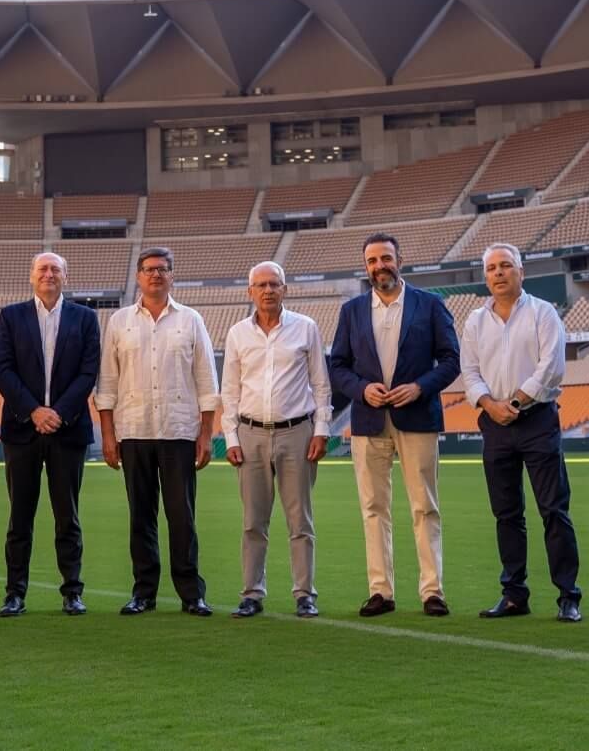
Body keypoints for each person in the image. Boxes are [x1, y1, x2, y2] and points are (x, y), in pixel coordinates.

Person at [330, 232, 459, 618]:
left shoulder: (430, 305)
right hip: (368, 421)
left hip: (417, 418)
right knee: (373, 508)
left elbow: (452, 360)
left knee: (425, 507)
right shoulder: (352, 310)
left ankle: (432, 591)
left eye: (385, 258)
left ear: (399, 260)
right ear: (365, 266)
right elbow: (338, 366)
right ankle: (380, 591)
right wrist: (361, 388)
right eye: (372, 261)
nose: (379, 266)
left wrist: (420, 387)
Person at [460, 243, 581, 623]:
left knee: (553, 510)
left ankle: (568, 596)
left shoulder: (543, 313)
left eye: (506, 266)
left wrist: (514, 401)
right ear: (485, 276)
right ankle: (514, 594)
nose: (498, 273)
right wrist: (490, 405)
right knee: (506, 513)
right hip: (494, 424)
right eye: (492, 268)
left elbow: (552, 366)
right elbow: (470, 373)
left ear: (521, 272)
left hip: (537, 420)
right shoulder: (475, 322)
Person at [96, 246, 219, 617]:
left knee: (182, 517)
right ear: (138, 276)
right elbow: (107, 382)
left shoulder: (191, 319)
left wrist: (206, 433)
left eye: (163, 269)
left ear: (171, 275)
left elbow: (206, 379)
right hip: (133, 431)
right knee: (141, 516)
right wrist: (107, 435)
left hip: (179, 431)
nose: (156, 275)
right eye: (149, 269)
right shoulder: (119, 322)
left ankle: (190, 592)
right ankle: (143, 591)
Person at [220, 261, 332, 619]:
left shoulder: (306, 328)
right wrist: (231, 436)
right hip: (250, 434)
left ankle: (305, 594)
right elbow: (230, 390)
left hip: (297, 432)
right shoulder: (238, 333)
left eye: (274, 284)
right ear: (250, 292)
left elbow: (321, 383)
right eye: (261, 285)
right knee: (253, 521)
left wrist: (321, 430)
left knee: (300, 522)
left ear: (285, 289)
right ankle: (252, 593)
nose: (268, 290)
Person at [0, 251, 100, 617]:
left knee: (67, 515)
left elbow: (89, 372)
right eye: (43, 269)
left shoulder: (85, 318)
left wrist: (59, 413)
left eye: (56, 269)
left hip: (67, 431)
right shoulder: (11, 316)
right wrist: (34, 411)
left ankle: (72, 591)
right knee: (19, 517)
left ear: (65, 276)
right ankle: (14, 593)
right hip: (22, 430)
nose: (49, 274)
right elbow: (3, 370)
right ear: (31, 276)